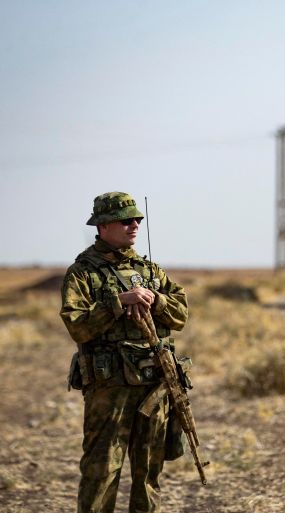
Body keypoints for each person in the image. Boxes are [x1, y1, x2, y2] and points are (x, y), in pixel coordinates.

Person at [60, 192, 188, 513]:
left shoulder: (150, 272)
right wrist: (119, 303)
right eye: (126, 220)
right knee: (101, 472)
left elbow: (180, 315)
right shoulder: (83, 273)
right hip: (109, 389)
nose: (134, 226)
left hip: (153, 387)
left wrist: (154, 299)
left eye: (137, 220)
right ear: (103, 226)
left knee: (148, 473)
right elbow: (77, 325)